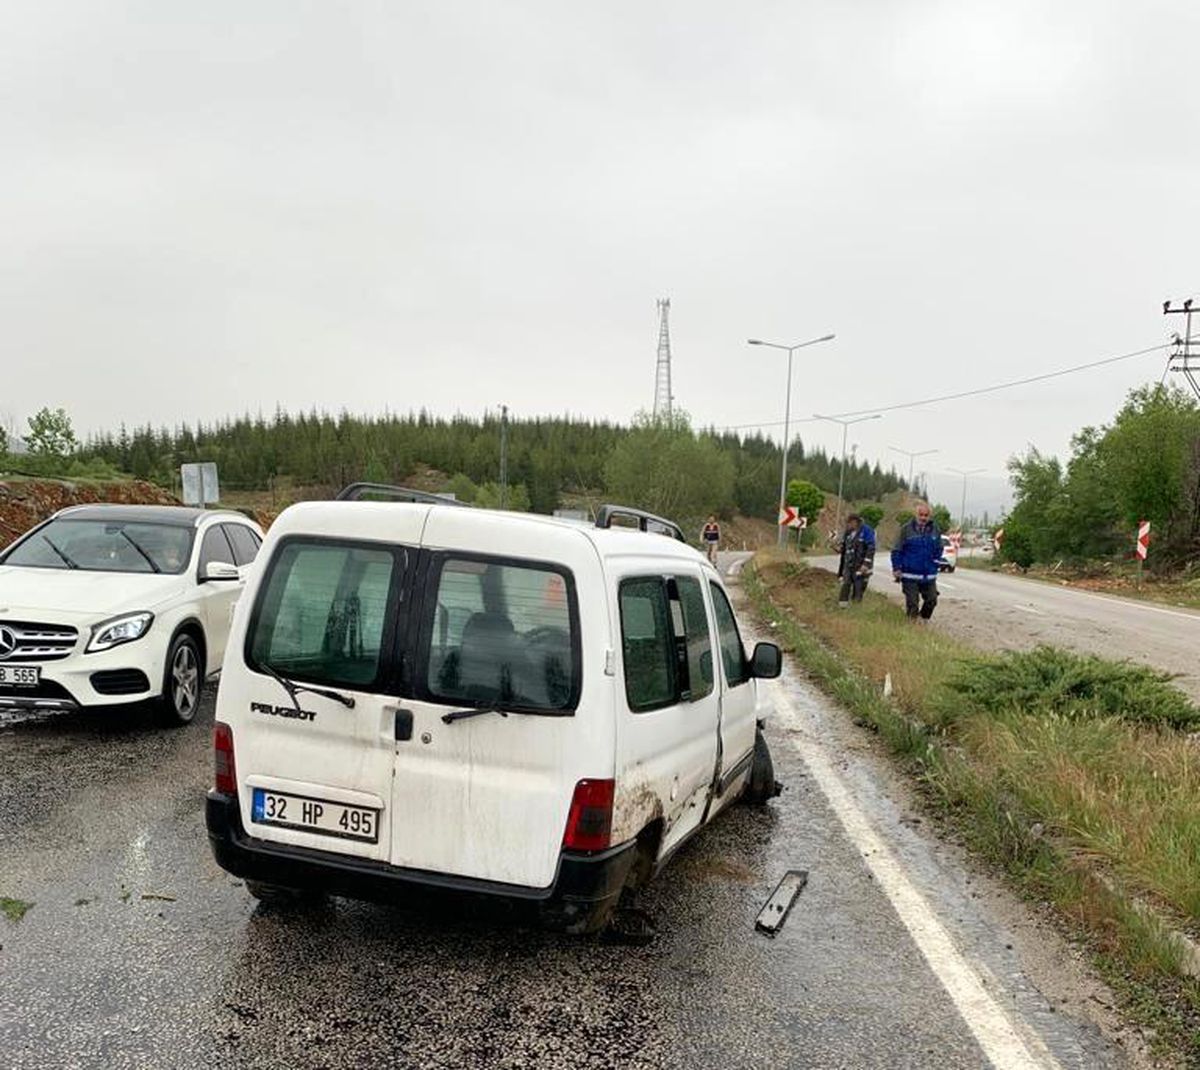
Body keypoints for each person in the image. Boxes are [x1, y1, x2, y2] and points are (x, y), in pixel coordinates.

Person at [891, 502, 942, 621]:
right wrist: (896, 568)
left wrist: (935, 561)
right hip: (910, 575)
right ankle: (912, 626)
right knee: (912, 604)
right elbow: (897, 550)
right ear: (916, 514)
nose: (923, 518)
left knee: (932, 600)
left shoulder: (935, 530)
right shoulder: (906, 529)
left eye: (926, 515)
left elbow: (939, 548)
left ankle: (923, 620)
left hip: (928, 575)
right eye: (921, 515)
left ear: (929, 516)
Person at [836, 513, 875, 606]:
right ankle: (842, 606)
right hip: (849, 565)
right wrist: (839, 548)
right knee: (846, 584)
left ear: (854, 522)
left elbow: (871, 548)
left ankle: (856, 606)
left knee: (859, 587)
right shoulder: (848, 532)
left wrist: (865, 564)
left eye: (849, 523)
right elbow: (844, 546)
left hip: (861, 565)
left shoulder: (866, 531)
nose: (847, 526)